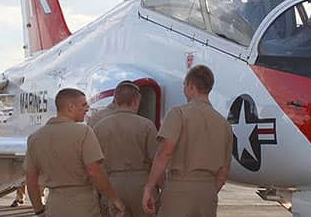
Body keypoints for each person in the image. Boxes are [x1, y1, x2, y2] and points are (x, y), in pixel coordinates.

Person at [142, 65, 233, 217]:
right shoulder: (224, 124)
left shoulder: (179, 114)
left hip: (179, 190)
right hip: (208, 193)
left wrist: (149, 187)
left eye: (184, 85)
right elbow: (224, 170)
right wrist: (209, 190)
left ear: (191, 86)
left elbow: (165, 153)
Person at [24, 88, 125, 217]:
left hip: (54, 205)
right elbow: (94, 171)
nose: (87, 109)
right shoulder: (84, 133)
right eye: (83, 105)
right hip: (82, 205)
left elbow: (31, 179)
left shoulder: (35, 138)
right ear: (70, 107)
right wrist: (114, 199)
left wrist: (39, 210)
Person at [94, 81, 158, 217]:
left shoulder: (100, 127)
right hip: (141, 184)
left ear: (116, 100)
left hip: (112, 185)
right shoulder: (146, 125)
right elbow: (156, 159)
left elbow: (96, 164)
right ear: (136, 101)